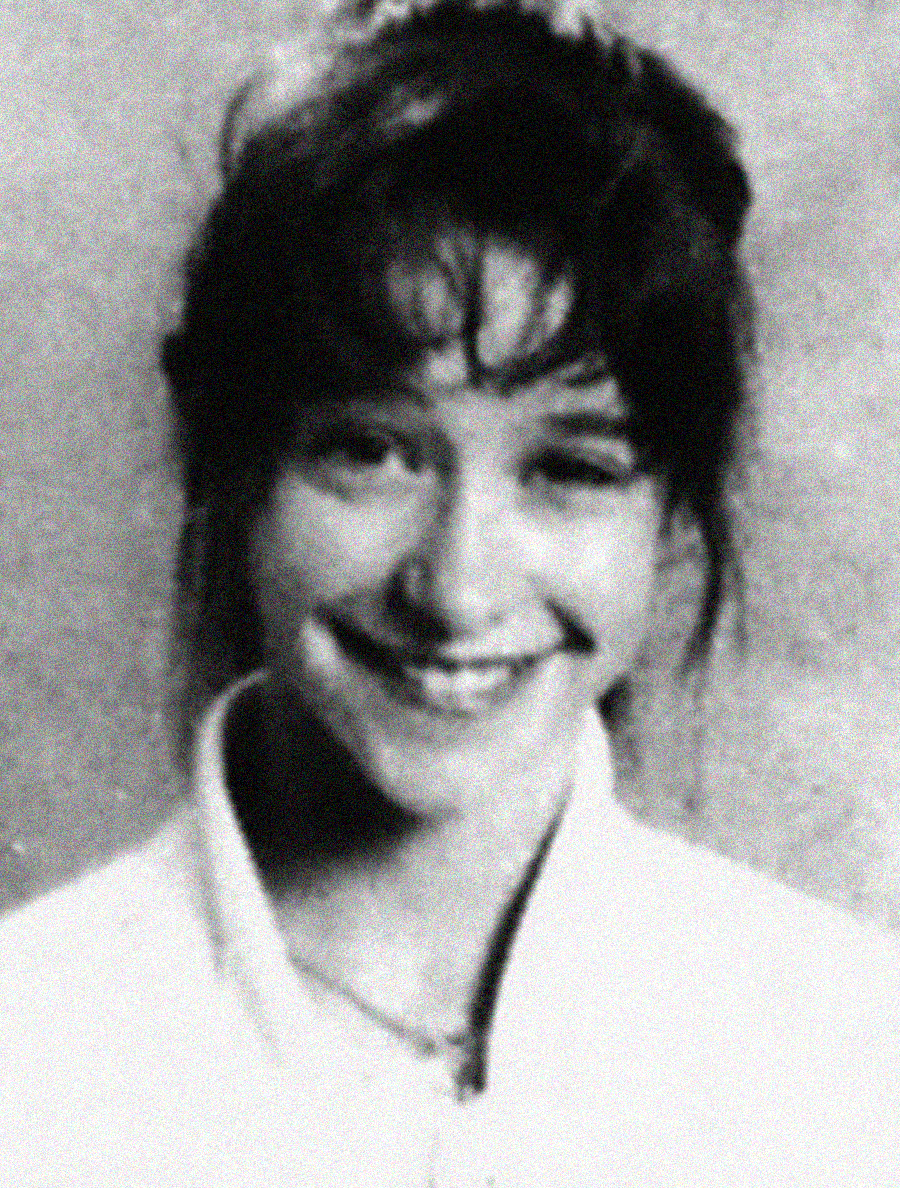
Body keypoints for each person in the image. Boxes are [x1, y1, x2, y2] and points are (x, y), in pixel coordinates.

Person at [1, 2, 898, 1184]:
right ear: (225, 452)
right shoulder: (34, 1051)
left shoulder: (849, 1049)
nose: (458, 588)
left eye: (571, 469)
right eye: (370, 451)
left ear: (673, 510)